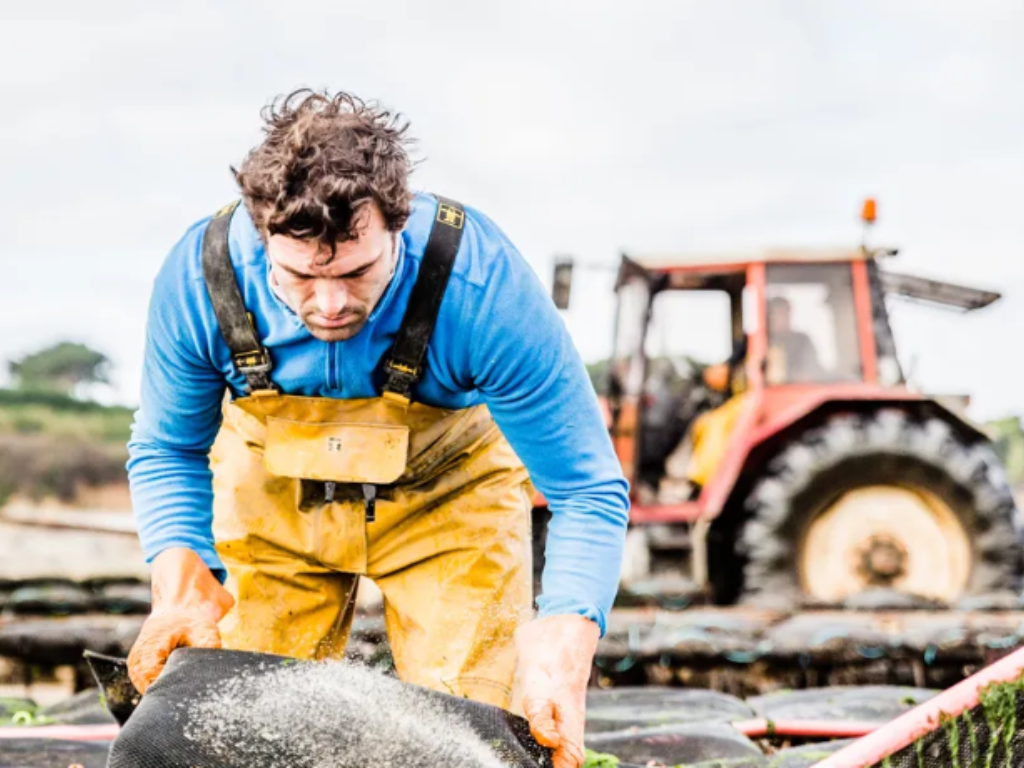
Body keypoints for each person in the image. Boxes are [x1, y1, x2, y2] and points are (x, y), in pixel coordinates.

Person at [125, 89, 629, 768]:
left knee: (471, 739)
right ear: (261, 235)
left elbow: (586, 488)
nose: (329, 305)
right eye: (299, 277)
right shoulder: (200, 277)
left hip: (448, 502)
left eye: (358, 271)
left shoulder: (481, 287)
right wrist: (181, 576)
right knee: (240, 728)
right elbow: (167, 448)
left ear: (398, 223)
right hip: (272, 504)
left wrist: (570, 627)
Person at [766, 296, 825, 382]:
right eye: (777, 314)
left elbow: (814, 369)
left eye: (784, 313)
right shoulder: (762, 344)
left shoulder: (803, 341)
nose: (781, 318)